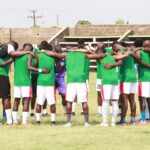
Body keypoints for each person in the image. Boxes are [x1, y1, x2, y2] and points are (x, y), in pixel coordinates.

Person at [86, 42, 130, 126]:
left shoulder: (100, 57)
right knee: (114, 102)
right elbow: (126, 55)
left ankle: (105, 122)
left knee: (105, 101)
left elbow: (88, 56)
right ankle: (113, 122)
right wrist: (127, 49)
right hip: (115, 80)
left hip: (106, 81)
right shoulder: (112, 56)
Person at [12, 43, 43, 126]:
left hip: (17, 82)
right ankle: (24, 122)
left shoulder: (16, 56)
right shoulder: (28, 56)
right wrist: (41, 70)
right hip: (25, 82)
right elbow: (29, 67)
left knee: (16, 101)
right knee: (26, 101)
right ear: (31, 50)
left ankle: (15, 121)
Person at [112, 42, 137, 125]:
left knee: (124, 99)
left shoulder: (121, 52)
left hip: (125, 78)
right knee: (132, 99)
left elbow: (120, 63)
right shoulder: (130, 52)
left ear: (116, 46)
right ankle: (133, 120)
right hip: (133, 77)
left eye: (114, 48)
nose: (114, 50)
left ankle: (123, 120)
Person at [0, 45, 13, 125]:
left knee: (5, 99)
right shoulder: (10, 56)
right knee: (6, 98)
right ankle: (9, 121)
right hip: (3, 77)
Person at [54, 45, 67, 115]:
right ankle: (53, 112)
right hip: (52, 78)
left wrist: (57, 60)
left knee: (64, 95)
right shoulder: (51, 58)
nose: (60, 53)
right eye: (58, 52)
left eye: (61, 51)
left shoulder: (63, 58)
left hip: (60, 79)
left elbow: (59, 69)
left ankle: (65, 111)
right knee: (52, 96)